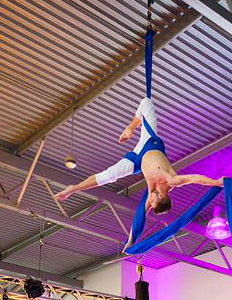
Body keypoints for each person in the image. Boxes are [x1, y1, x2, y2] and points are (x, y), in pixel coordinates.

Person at [54, 96, 223, 249]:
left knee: (107, 177)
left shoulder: (152, 194)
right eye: (153, 201)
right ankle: (131, 126)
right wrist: (216, 182)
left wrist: (131, 241)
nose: (150, 200)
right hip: (150, 142)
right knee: (146, 102)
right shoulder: (171, 180)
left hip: (136, 161)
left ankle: (72, 188)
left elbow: (140, 216)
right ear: (161, 197)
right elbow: (195, 178)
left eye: (151, 202)